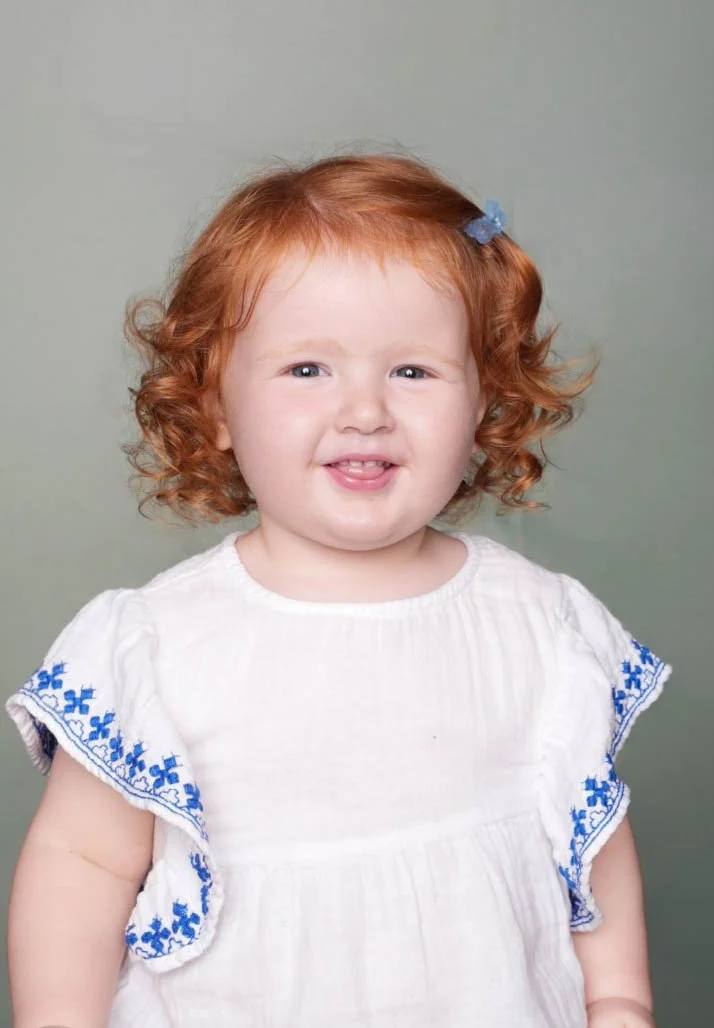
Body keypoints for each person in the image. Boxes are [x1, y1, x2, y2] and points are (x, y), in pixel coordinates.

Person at [6, 154, 670, 1028]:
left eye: (414, 371)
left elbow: (587, 836)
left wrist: (618, 995)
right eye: (307, 369)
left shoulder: (540, 623)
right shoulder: (158, 644)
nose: (365, 411)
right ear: (214, 405)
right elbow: (82, 864)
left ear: (484, 398)